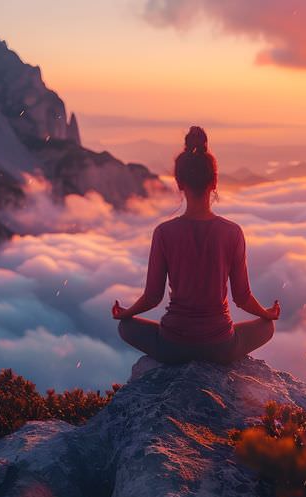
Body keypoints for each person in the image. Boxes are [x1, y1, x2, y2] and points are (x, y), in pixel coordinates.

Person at [112, 126, 279, 365]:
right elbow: (242, 298)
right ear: (214, 182)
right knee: (267, 327)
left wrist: (125, 313)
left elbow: (152, 297)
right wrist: (267, 314)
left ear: (179, 184)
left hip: (173, 346)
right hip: (220, 347)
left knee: (125, 328)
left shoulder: (164, 233)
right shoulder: (232, 232)